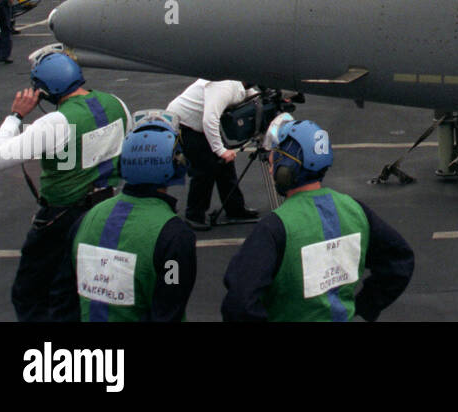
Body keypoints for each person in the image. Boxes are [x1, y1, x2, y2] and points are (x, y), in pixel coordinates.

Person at [0, 51, 130, 321]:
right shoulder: (116, 104)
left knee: (31, 292)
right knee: (79, 289)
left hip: (61, 218)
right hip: (106, 210)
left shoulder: (54, 123)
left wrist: (16, 116)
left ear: (43, 91)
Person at [221, 118, 414, 321]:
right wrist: (364, 308)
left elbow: (239, 303)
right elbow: (399, 262)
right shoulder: (355, 210)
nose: (270, 169)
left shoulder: (275, 227)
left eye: (274, 162)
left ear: (287, 167)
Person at [52, 111, 197, 322]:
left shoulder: (86, 220)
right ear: (176, 166)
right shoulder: (175, 235)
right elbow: (169, 309)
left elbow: (62, 299)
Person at [165, 78, 260, 230]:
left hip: (199, 124)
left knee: (225, 166)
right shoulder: (224, 87)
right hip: (185, 124)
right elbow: (210, 119)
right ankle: (194, 215)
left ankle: (235, 209)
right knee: (204, 169)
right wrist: (220, 150)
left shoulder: (238, 82)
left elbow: (249, 93)